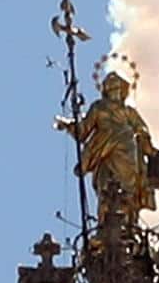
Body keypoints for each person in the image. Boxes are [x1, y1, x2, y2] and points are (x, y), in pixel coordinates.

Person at [57, 68, 153, 221]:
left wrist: (144, 139)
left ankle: (129, 223)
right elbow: (83, 130)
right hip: (102, 152)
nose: (115, 92)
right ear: (106, 90)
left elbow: (142, 128)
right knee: (105, 189)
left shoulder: (128, 111)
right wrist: (69, 124)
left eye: (117, 89)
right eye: (111, 89)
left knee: (128, 191)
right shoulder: (98, 107)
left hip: (126, 152)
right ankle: (105, 226)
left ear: (123, 90)